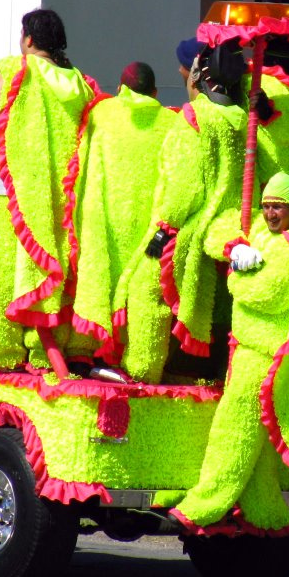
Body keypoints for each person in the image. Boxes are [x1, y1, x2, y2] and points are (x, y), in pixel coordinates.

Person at [171, 172, 289, 534]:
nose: (269, 213)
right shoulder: (262, 235)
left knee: (233, 430)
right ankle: (265, 513)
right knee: (261, 444)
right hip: (245, 351)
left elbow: (266, 293)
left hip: (265, 357)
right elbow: (216, 226)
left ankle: (206, 504)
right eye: (266, 206)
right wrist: (235, 246)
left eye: (277, 206)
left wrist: (235, 275)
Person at [0, 8, 101, 371]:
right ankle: (46, 353)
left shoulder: (15, 68)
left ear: (28, 39)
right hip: (58, 191)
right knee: (54, 266)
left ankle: (4, 353)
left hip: (7, 188)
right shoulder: (79, 81)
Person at [114, 39, 254, 383]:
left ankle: (143, 373)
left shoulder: (195, 118)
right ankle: (209, 374)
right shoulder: (244, 120)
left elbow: (184, 187)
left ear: (198, 75)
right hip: (231, 227)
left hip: (190, 232)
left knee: (146, 289)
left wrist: (163, 230)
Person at [71, 61, 178, 367]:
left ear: (120, 89)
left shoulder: (100, 115)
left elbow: (78, 161)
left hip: (103, 220)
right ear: (155, 92)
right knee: (140, 293)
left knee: (99, 278)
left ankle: (86, 349)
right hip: (149, 229)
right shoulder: (171, 124)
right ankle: (135, 361)